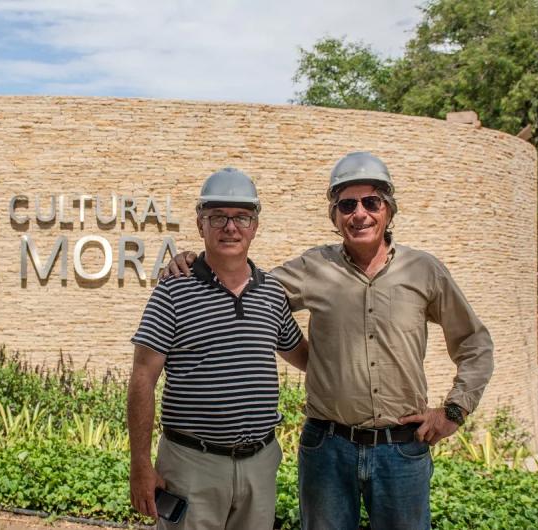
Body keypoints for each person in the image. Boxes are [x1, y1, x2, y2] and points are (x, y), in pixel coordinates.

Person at [165, 152, 494, 530]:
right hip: (327, 449)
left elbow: (474, 343)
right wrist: (198, 262)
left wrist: (455, 410)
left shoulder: (424, 271)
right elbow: (245, 285)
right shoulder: (313, 268)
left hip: (401, 450)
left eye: (371, 202)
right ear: (335, 216)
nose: (360, 213)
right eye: (347, 204)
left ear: (388, 210)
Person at [128, 167, 309, 530]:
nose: (230, 227)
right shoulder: (173, 291)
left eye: (241, 217)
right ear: (200, 225)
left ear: (255, 225)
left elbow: (306, 357)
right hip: (191, 466)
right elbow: (143, 378)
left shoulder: (272, 293)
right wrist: (140, 465)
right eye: (218, 217)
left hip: (259, 464)